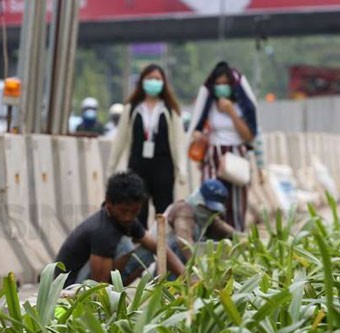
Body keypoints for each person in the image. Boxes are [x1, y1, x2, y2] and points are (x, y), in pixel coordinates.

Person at [55, 171, 185, 285]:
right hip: (71, 288)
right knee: (125, 245)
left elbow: (158, 246)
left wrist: (187, 278)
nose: (128, 217)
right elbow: (99, 285)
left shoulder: (125, 220)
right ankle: (115, 295)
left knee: (149, 251)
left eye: (134, 211)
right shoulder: (102, 230)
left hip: (97, 278)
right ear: (109, 202)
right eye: (123, 211)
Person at [108, 64, 187, 228]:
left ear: (164, 82)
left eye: (157, 79)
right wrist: (112, 167)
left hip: (163, 166)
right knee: (137, 208)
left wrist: (181, 168)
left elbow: (179, 142)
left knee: (164, 209)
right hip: (138, 166)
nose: (153, 82)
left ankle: (162, 247)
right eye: (150, 79)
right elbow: (120, 140)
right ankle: (140, 247)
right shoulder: (132, 108)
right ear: (142, 81)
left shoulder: (170, 110)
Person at [188, 61, 258, 231]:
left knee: (235, 203)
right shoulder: (209, 104)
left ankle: (235, 238)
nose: (221, 88)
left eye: (225, 84)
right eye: (218, 84)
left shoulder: (242, 106)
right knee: (209, 199)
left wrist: (232, 113)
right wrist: (199, 136)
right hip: (213, 156)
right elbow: (197, 127)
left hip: (236, 156)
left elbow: (249, 135)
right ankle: (209, 238)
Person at [163, 179, 237, 263]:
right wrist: (199, 267)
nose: (211, 212)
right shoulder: (183, 210)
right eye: (209, 208)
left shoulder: (207, 214)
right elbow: (184, 241)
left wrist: (243, 239)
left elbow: (225, 230)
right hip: (163, 262)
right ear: (201, 200)